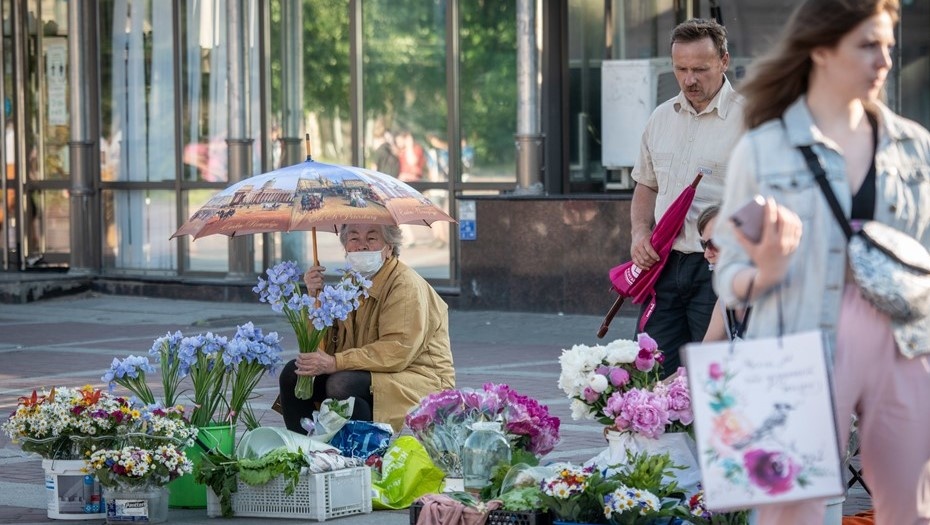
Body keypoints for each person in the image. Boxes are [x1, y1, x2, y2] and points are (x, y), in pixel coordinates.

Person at [712, 1, 930, 523]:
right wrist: (766, 268)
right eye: (867, 45)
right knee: (792, 510)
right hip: (794, 341)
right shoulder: (764, 149)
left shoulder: (914, 148)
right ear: (821, 50)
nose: (884, 61)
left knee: (912, 509)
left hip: (903, 345)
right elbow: (727, 277)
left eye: (888, 46)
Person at [629, 18, 745, 377]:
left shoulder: (750, 119)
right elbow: (646, 184)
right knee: (649, 372)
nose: (689, 79)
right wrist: (638, 233)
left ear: (724, 62)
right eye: (681, 69)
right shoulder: (661, 117)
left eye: (700, 69)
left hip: (717, 266)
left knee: (714, 376)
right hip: (663, 264)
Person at [278, 223, 456, 433]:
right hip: (369, 371)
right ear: (346, 247)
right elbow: (325, 344)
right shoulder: (351, 281)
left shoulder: (405, 285)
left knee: (341, 384)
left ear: (389, 247)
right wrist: (313, 296)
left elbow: (397, 350)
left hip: (418, 379)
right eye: (354, 238)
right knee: (295, 373)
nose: (362, 246)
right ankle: (306, 448)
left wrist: (336, 363)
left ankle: (362, 454)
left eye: (372, 239)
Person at [697, 205, 750, 342]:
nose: (706, 254)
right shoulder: (726, 300)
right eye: (704, 245)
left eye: (714, 243)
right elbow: (706, 356)